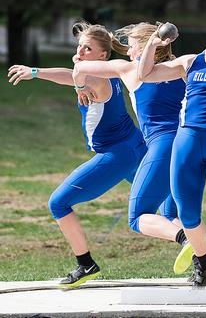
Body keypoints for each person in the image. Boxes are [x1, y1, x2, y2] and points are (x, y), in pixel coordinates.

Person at [7, 23, 147, 288]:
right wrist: (78, 77)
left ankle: (86, 264)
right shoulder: (106, 72)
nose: (80, 52)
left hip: (116, 155)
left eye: (87, 49)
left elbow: (70, 74)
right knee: (163, 203)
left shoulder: (92, 77)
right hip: (134, 145)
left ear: (103, 56)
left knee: (58, 204)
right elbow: (73, 74)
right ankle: (202, 253)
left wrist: (34, 72)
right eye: (79, 47)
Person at [72, 22, 194, 273]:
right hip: (190, 145)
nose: (128, 51)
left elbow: (81, 67)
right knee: (171, 212)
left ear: (145, 46)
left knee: (137, 217)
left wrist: (80, 84)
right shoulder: (181, 67)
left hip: (162, 145)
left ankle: (191, 243)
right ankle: (204, 263)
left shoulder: (129, 69)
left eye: (131, 46)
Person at [138, 12, 206, 286]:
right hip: (188, 139)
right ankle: (203, 260)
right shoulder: (190, 61)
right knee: (186, 211)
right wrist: (153, 44)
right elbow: (145, 74)